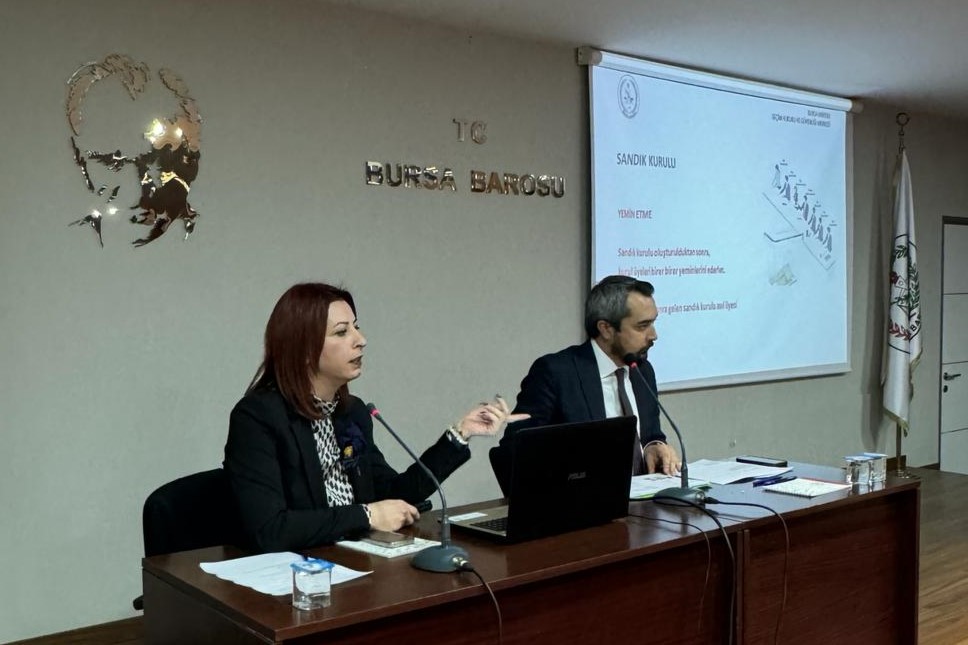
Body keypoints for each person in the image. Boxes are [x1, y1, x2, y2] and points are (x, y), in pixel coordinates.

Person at [224, 282, 526, 552]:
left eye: (356, 328)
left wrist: (461, 433)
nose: (361, 340)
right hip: (297, 576)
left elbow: (394, 494)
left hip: (354, 562)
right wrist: (367, 515)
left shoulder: (351, 413)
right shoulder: (258, 417)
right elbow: (270, 530)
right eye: (342, 332)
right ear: (303, 349)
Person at [496, 276, 680, 491]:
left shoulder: (642, 371)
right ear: (606, 328)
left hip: (643, 502)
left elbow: (651, 433)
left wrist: (654, 445)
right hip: (579, 502)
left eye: (653, 322)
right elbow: (515, 453)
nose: (653, 335)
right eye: (642, 326)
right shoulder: (556, 373)